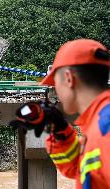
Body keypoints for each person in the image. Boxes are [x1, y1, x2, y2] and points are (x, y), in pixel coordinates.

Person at [13, 39, 110, 189]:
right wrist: (59, 130)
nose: (56, 91)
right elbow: (79, 169)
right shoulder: (97, 122)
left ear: (69, 79)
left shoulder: (105, 125)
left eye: (55, 84)